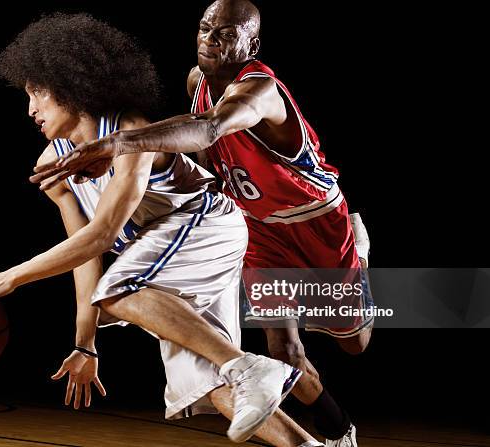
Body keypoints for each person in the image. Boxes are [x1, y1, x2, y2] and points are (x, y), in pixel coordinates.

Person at [0, 13, 324, 446]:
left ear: (71, 83)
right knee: (219, 389)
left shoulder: (131, 133)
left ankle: (250, 367)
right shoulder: (55, 164)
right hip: (171, 254)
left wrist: (6, 278)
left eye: (38, 93)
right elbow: (84, 253)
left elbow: (104, 235)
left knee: (119, 289)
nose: (31, 109)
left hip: (204, 226)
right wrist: (85, 345)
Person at [30, 1, 372, 445]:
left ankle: (359, 254)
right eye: (205, 28)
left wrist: (117, 145)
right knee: (283, 351)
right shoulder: (197, 81)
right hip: (260, 229)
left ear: (252, 44)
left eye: (226, 33)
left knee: (354, 343)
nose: (210, 40)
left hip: (315, 220)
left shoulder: (261, 90)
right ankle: (339, 432)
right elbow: (207, 150)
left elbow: (210, 128)